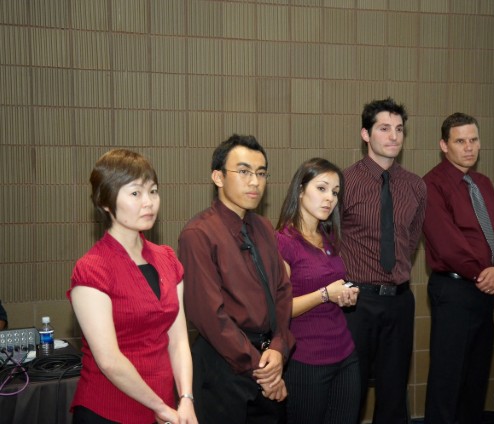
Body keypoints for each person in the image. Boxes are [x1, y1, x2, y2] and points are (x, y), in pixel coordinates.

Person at [68, 149, 197, 424]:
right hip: (108, 410)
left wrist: (186, 398)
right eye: (136, 193)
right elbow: (109, 360)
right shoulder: (92, 269)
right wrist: (160, 407)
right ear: (105, 202)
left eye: (153, 191)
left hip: (167, 406)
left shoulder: (167, 259)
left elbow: (178, 340)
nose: (149, 202)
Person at [179, 134, 294, 424]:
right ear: (218, 177)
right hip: (224, 366)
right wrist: (262, 371)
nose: (255, 182)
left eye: (261, 173)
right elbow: (209, 316)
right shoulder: (198, 234)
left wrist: (278, 348)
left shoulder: (264, 227)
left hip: (269, 360)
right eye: (244, 172)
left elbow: (282, 291)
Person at [422, 112, 494, 424]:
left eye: (474, 140)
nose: (469, 147)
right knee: (448, 380)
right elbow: (448, 246)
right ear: (444, 145)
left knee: (475, 381)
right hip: (454, 290)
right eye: (460, 141)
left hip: (482, 292)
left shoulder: (483, 183)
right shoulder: (431, 185)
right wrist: (490, 279)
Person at [341, 98, 427, 423]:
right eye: (384, 128)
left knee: (393, 394)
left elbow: (410, 240)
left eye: (399, 129)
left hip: (399, 301)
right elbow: (329, 241)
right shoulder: (344, 182)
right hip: (356, 303)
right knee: (351, 390)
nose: (394, 136)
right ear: (366, 134)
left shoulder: (416, 186)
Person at [275, 158, 361, 424]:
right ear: (300, 190)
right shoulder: (283, 242)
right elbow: (281, 308)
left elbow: (331, 286)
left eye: (335, 192)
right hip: (307, 359)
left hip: (344, 352)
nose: (329, 199)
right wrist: (325, 294)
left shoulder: (328, 237)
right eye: (321, 188)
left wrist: (344, 294)